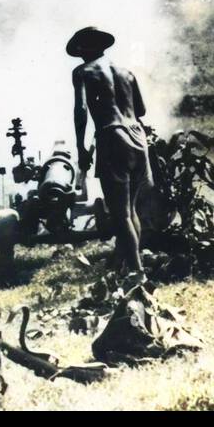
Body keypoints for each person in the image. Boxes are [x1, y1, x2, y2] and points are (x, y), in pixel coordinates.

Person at [68, 25, 152, 281]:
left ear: (89, 48)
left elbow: (80, 110)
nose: (80, 54)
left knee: (120, 214)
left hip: (112, 136)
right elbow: (142, 110)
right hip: (138, 137)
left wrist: (81, 147)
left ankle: (137, 274)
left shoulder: (83, 72)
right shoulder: (127, 72)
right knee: (130, 210)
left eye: (81, 49)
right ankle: (129, 264)